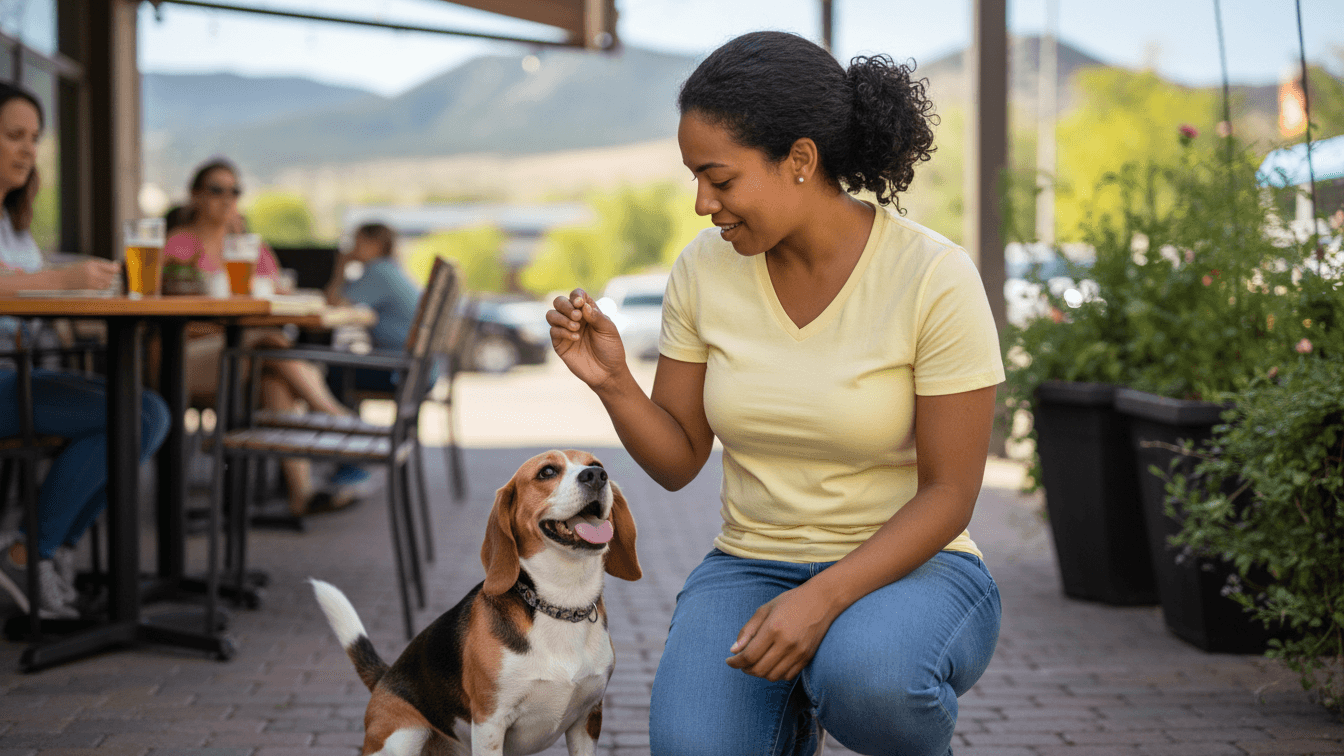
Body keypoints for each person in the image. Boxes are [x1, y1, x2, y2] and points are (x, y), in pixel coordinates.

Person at [546, 32, 1004, 755]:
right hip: (750, 563)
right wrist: (611, 381)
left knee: (869, 679)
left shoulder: (933, 276)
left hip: (916, 565)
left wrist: (820, 601)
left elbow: (950, 493)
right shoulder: (703, 271)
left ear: (799, 161)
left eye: (719, 179)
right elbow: (678, 460)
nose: (702, 203)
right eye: (694, 178)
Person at [0, 81, 171, 619]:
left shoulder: (11, 223)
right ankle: (31, 553)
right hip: (7, 379)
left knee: (145, 413)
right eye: (13, 136)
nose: (29, 149)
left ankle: (43, 550)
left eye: (34, 137)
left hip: (20, 372)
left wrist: (74, 286)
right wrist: (61, 279)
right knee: (137, 413)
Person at [166, 158, 360, 515]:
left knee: (275, 378)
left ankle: (302, 493)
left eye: (234, 191)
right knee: (266, 341)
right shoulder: (179, 245)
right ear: (195, 196)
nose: (227, 199)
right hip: (189, 358)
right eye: (216, 190)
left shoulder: (245, 245)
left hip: (241, 357)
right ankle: (341, 423)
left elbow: (280, 292)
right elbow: (169, 313)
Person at [323, 222, 423, 395]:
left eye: (357, 241)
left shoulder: (379, 271)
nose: (352, 248)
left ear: (375, 245)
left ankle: (339, 419)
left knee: (330, 371)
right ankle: (343, 418)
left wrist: (340, 266)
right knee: (337, 365)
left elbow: (333, 302)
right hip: (413, 368)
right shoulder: (388, 269)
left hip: (398, 370)